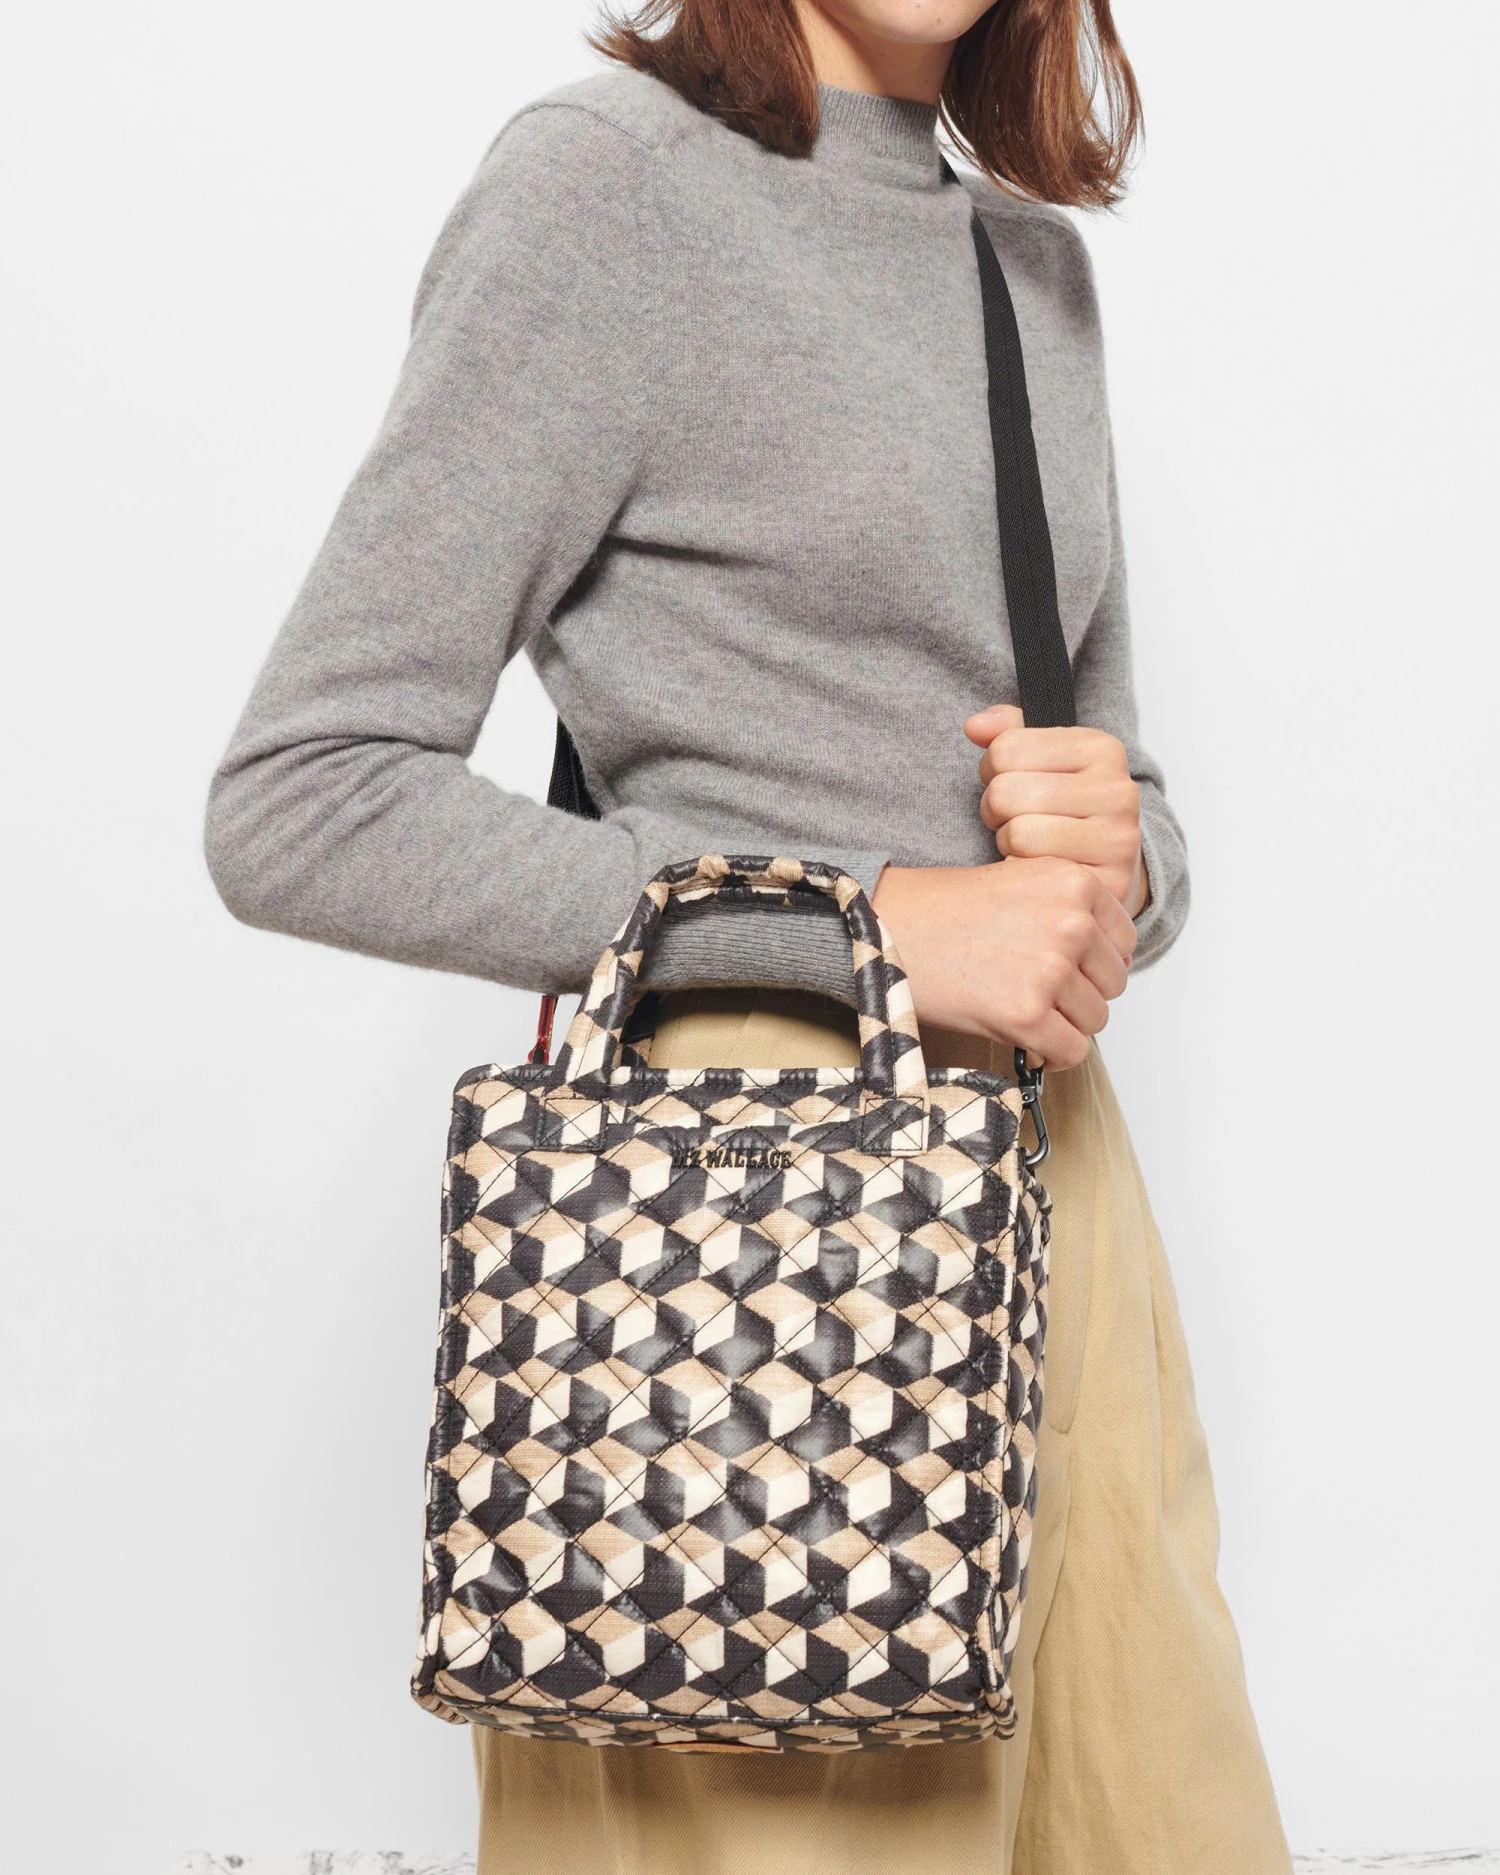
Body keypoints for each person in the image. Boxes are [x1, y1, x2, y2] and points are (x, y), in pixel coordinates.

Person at [205, 2, 1292, 1870]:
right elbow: (303, 795)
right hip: (741, 1225)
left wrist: (1128, 857)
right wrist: (868, 922)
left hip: (1061, 1196)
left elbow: (1111, 810)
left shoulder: (1025, 264)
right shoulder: (604, 190)